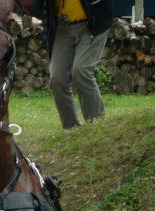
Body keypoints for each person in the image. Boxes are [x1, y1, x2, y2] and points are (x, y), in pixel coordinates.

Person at [19, 0, 114, 129]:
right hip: (62, 27)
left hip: (93, 24)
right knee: (57, 78)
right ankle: (71, 128)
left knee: (81, 70)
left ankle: (96, 125)